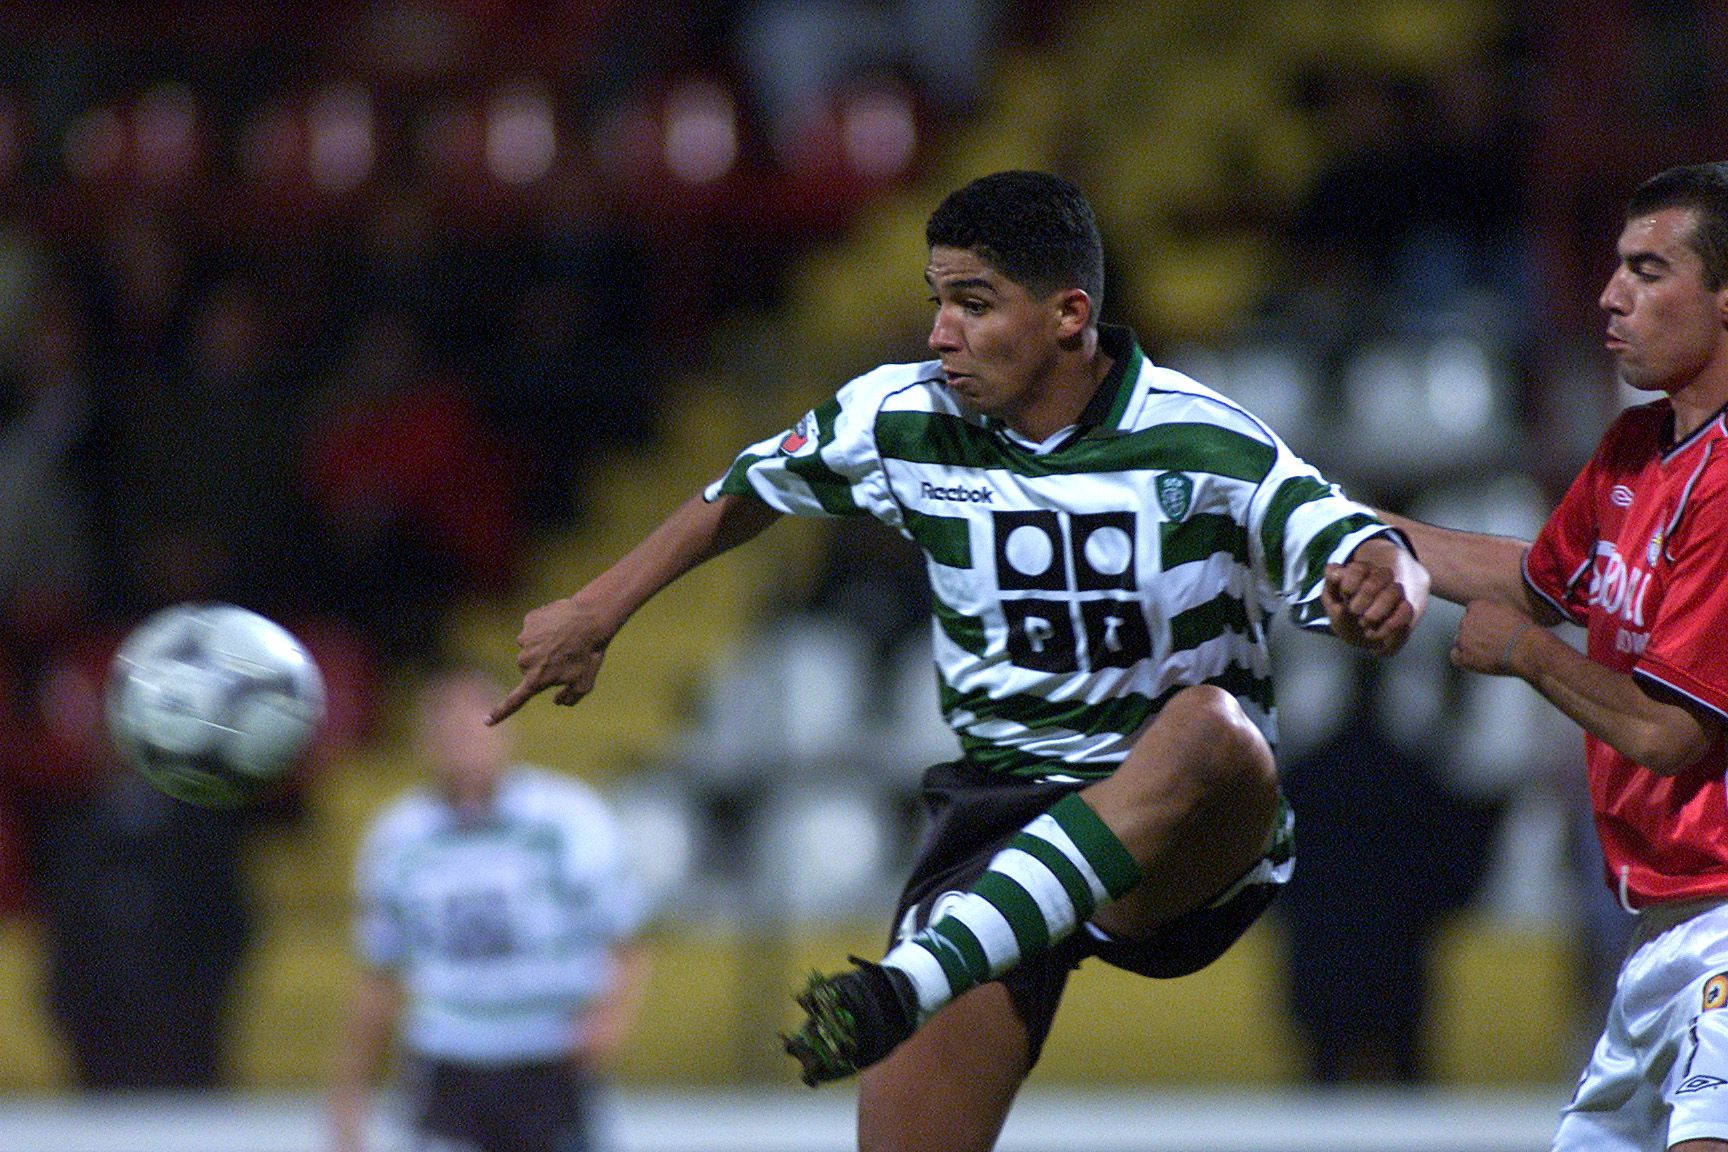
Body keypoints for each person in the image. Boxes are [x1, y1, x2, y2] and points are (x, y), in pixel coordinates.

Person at [488, 170, 1428, 1151]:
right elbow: (747, 487)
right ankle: (938, 972)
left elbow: (1354, 543)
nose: (940, 332)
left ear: (1070, 315)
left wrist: (1384, 588)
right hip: (1000, 812)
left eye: (973, 304)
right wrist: (600, 608)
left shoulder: (1206, 439)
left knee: (1209, 725)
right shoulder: (901, 416)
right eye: (939, 299)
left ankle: (911, 982)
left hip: (1186, 838)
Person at [1378, 161, 1728, 1152]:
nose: (1610, 295)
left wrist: (1532, 657)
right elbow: (1531, 578)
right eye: (1617, 267)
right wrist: (1335, 522)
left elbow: (1670, 731)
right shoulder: (1634, 448)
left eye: (1648, 271)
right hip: (1662, 935)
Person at [329, 667, 649, 1152]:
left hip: (546, 1059)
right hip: (446, 1062)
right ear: (424, 739)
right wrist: (350, 1089)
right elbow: (381, 971)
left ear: (507, 729)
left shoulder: (565, 819)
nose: (462, 738)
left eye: (475, 722)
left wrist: (608, 1022)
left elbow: (628, 936)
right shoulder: (398, 837)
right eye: (447, 725)